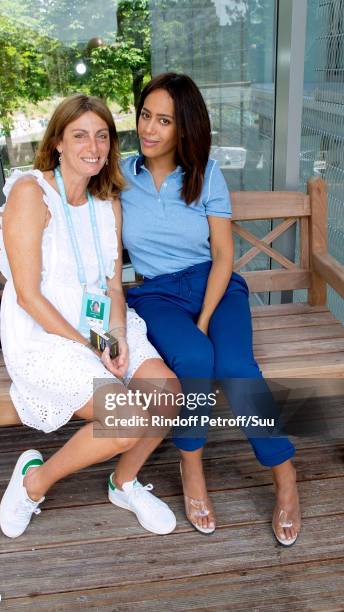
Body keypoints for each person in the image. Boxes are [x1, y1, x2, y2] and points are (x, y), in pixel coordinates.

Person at [120, 73, 301, 546]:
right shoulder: (120, 176)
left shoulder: (206, 174)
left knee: (236, 365)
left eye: (164, 120)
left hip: (213, 286)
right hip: (155, 294)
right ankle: (192, 465)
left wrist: (203, 319)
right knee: (196, 360)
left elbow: (224, 256)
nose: (150, 129)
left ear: (185, 129)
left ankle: (284, 475)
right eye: (145, 115)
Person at [0, 94, 180, 539]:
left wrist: (115, 335)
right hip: (45, 335)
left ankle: (124, 483)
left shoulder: (106, 201)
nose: (93, 147)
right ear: (58, 141)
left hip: (100, 326)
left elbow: (114, 286)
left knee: (168, 396)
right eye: (80, 135)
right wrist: (94, 348)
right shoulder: (31, 192)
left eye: (102, 136)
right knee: (127, 421)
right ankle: (33, 482)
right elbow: (28, 297)